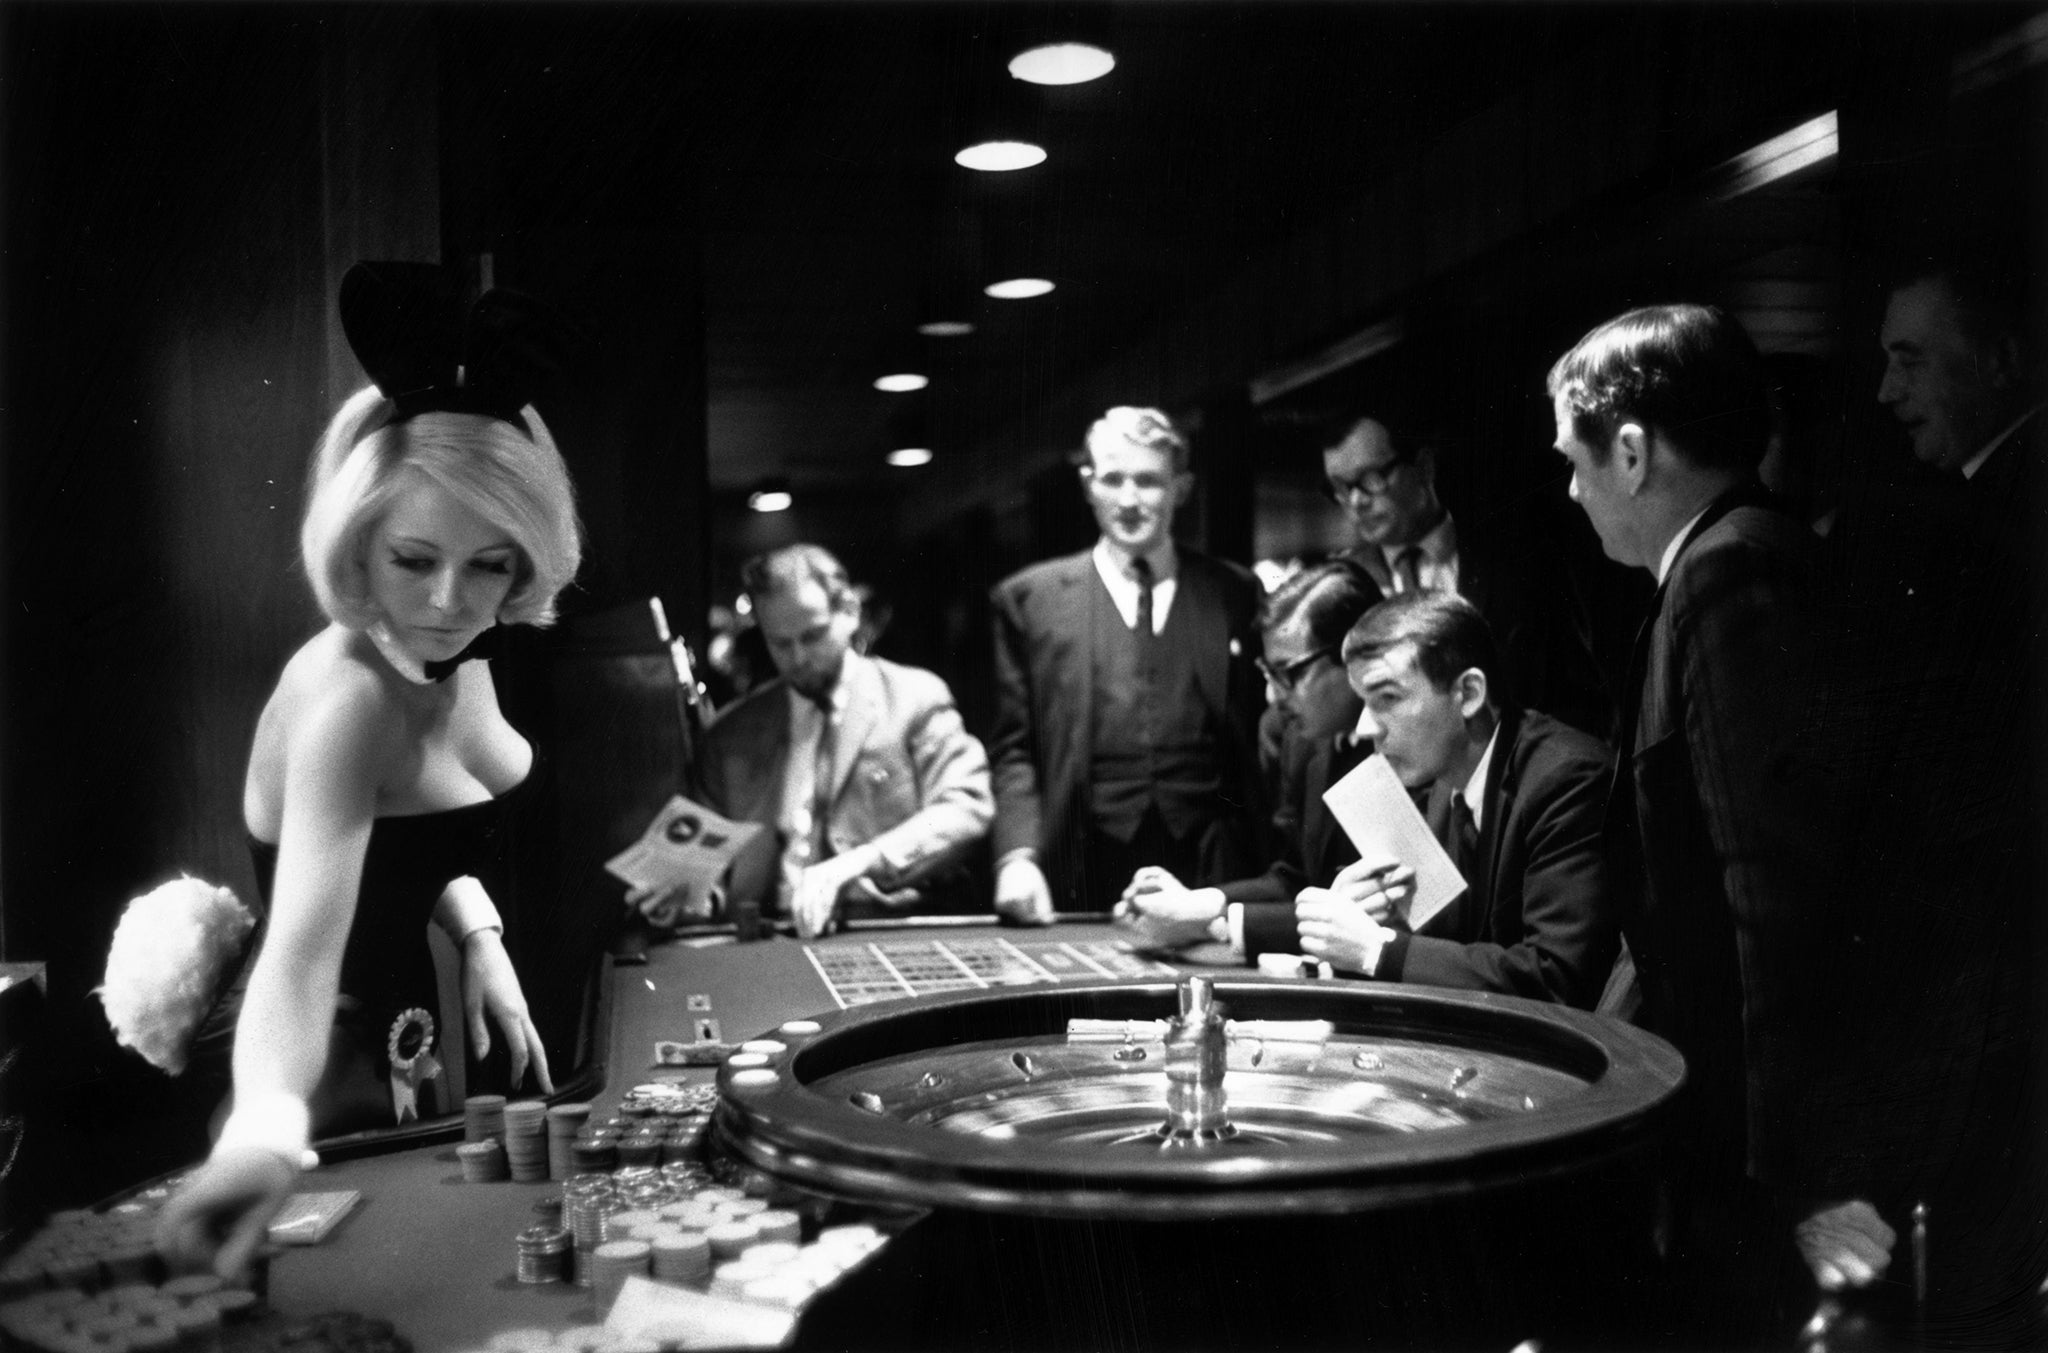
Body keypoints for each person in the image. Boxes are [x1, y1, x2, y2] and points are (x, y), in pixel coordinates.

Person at [157, 262, 579, 1279]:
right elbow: (301, 956)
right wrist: (263, 1129)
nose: (450, 600)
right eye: (413, 558)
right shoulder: (348, 697)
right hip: (317, 1077)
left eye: (492, 564)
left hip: (408, 1039)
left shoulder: (448, 654)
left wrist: (475, 930)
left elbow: (415, 828)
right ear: (358, 542)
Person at [1547, 302, 1858, 1342]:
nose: (1570, 489)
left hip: (1753, 1142)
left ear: (1629, 453)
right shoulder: (1713, 563)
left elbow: (1775, 891)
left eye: (1574, 461)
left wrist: (1801, 1177)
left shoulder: (1728, 570)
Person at [1126, 592, 1617, 1009]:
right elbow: (1461, 941)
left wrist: (1375, 948)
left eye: (1387, 697)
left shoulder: (1566, 777)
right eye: (1363, 700)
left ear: (1467, 693)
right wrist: (1373, 915)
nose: (1364, 726)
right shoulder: (1444, 779)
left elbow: (1558, 979)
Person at [989, 407, 1266, 920]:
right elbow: (1015, 750)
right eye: (1113, 480)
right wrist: (1018, 856)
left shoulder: (1233, 592)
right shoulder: (1030, 600)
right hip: (1081, 862)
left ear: (1181, 488)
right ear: (1088, 484)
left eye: (1148, 481)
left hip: (1212, 862)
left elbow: (1258, 734)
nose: (1129, 500)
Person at [689, 544, 993, 938]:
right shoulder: (730, 734)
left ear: (849, 613)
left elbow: (966, 806)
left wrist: (866, 858)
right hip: (764, 938)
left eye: (812, 636)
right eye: (780, 643)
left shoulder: (914, 698)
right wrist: (693, 895)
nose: (798, 658)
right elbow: (706, 864)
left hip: (883, 927)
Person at [1112, 558, 1375, 954]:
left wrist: (1211, 921)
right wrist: (1197, 901)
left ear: (1354, 657)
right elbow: (1296, 878)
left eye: (1290, 673)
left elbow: (1375, 913)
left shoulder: (1408, 749)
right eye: (1268, 673)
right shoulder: (1303, 743)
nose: (1273, 696)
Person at [1320, 413, 1610, 736]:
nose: (1356, 501)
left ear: (1424, 466)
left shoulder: (1516, 557)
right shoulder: (1342, 587)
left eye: (1371, 478)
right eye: (1340, 487)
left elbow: (1578, 686)